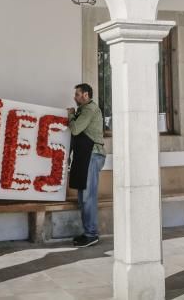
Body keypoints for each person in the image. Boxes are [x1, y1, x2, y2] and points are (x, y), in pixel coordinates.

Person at [67, 83, 105, 248]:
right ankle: (88, 233)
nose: (75, 97)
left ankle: (91, 234)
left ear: (86, 95)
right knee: (83, 197)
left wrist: (70, 115)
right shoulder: (84, 110)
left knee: (88, 197)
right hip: (86, 156)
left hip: (92, 155)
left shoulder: (89, 109)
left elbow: (75, 129)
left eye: (77, 94)